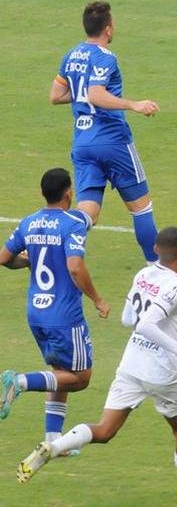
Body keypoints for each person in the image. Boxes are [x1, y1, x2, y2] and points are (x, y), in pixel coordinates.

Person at [18, 227, 177, 507]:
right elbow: (148, 324)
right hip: (162, 371)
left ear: (157, 250)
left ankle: (54, 447)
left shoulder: (142, 274)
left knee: (104, 430)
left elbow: (129, 319)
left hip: (131, 364)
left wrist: (176, 309)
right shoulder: (176, 286)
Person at [1, 168, 109, 455]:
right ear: (69, 193)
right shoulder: (72, 223)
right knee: (80, 378)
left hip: (36, 312)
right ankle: (20, 381)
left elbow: (4, 258)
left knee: (60, 372)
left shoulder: (29, 222)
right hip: (65, 316)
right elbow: (75, 266)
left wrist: (31, 261)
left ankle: (53, 441)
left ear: (42, 193)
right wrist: (97, 299)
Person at [51, 1, 161, 261]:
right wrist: (134, 104)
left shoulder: (72, 55)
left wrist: (80, 96)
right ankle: (156, 268)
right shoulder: (106, 57)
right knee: (140, 207)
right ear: (108, 29)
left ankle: (53, 240)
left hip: (83, 143)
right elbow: (95, 93)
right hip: (112, 141)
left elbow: (56, 95)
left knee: (88, 211)